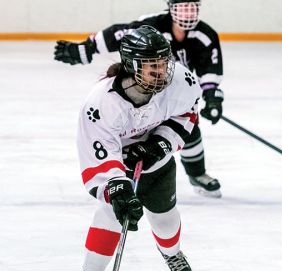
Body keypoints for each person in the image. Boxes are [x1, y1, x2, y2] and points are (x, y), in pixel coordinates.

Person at [70, 25, 202, 271]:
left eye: (163, 63)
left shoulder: (181, 81)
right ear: (131, 66)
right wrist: (116, 188)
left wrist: (161, 144)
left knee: (165, 218)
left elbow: (189, 113)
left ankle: (173, 253)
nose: (161, 71)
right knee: (110, 217)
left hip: (157, 164)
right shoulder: (101, 104)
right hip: (118, 164)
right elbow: (99, 156)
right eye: (151, 65)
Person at [54, 0, 223, 198]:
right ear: (170, 8)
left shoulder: (205, 35)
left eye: (191, 8)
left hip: (174, 90)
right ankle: (119, 177)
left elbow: (210, 67)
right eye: (182, 8)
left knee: (190, 129)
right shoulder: (153, 26)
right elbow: (120, 34)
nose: (187, 14)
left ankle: (197, 174)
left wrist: (211, 96)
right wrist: (87, 48)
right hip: (147, 91)